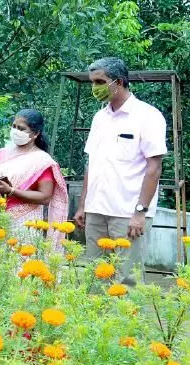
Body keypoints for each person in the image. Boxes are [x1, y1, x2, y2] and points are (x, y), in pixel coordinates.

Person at [73, 57, 166, 285]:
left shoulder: (148, 116)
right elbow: (92, 163)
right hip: (96, 210)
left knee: (127, 280)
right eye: (93, 82)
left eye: (100, 81)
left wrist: (140, 212)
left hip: (128, 213)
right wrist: (83, 205)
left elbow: (154, 167)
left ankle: (127, 312)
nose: (95, 87)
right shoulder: (99, 118)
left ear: (119, 82)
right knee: (95, 277)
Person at [0, 109, 68, 244]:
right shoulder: (1, 154)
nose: (16, 131)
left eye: (21, 129)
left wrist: (11, 191)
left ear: (36, 133)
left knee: (19, 255)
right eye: (14, 126)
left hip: (24, 222)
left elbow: (45, 197)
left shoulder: (42, 161)